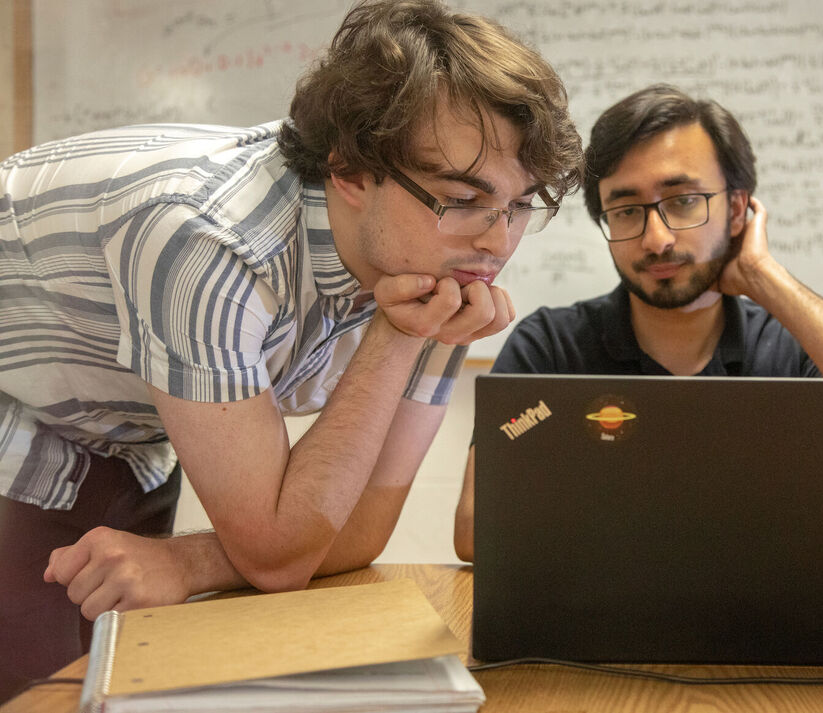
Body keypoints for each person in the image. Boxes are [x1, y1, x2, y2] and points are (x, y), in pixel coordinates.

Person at [0, 0, 582, 700]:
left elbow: (360, 526)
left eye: (520, 206)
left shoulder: (442, 259)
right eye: (463, 198)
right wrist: (400, 336)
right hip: (18, 414)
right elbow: (277, 550)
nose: (497, 242)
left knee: (123, 678)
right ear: (350, 171)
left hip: (121, 429)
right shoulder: (207, 242)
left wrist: (188, 562)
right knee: (40, 691)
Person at [453, 84, 823, 562]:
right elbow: (477, 531)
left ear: (737, 209)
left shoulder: (792, 345)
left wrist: (764, 278)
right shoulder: (552, 347)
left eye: (683, 201)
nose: (656, 239)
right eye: (625, 212)